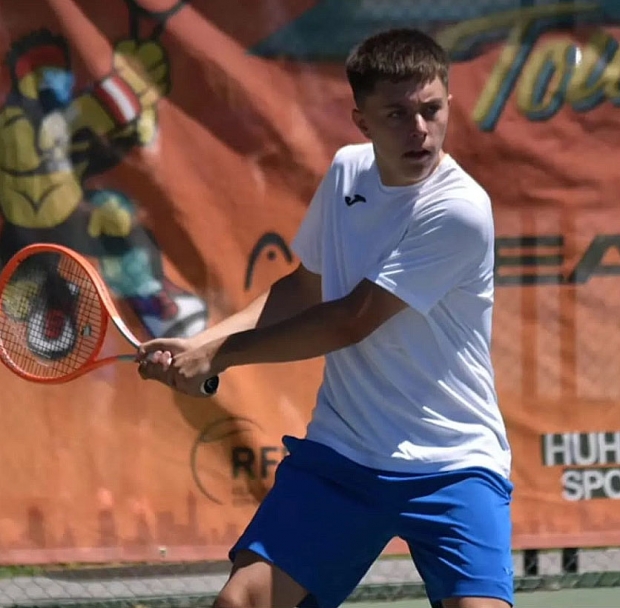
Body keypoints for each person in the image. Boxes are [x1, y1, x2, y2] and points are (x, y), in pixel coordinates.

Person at [137, 27, 514, 608]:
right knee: (242, 603)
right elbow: (304, 288)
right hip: (344, 456)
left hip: (454, 463)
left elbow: (349, 320)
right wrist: (202, 341)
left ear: (448, 105)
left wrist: (222, 355)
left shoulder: (461, 210)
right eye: (396, 114)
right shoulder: (346, 174)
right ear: (361, 120)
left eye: (431, 110)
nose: (419, 130)